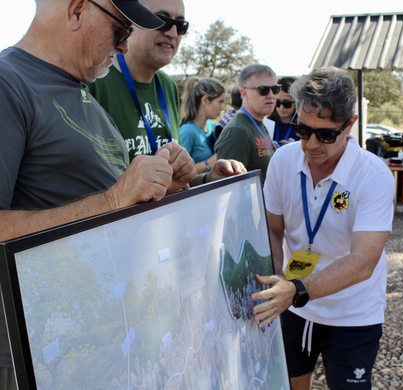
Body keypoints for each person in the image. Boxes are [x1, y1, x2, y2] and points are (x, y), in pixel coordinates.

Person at [0, 0, 244, 388]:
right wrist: (112, 200)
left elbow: (109, 198)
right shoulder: (8, 82)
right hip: (42, 355)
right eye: (121, 30)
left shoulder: (78, 88)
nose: (124, 46)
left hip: (100, 341)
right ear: (77, 10)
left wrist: (177, 187)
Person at [251, 67, 394, 389]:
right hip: (295, 306)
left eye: (326, 134)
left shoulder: (374, 175)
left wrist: (296, 289)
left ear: (350, 125)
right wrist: (280, 281)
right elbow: (274, 231)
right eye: (302, 130)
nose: (312, 144)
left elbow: (363, 263)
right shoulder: (283, 161)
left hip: (353, 313)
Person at [89, 0, 190, 162]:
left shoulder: (167, 85)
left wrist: (208, 178)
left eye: (181, 25)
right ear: (132, 20)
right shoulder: (95, 80)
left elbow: (172, 183)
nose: (173, 34)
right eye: (162, 20)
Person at [214, 64, 279, 183]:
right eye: (263, 90)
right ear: (244, 93)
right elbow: (228, 188)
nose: (271, 95)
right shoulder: (237, 131)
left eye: (275, 90)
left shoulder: (258, 122)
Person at [179, 77, 225, 174]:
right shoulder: (187, 132)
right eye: (220, 102)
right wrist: (208, 163)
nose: (222, 107)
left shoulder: (213, 127)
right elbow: (179, 173)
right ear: (205, 100)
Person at [266, 76, 300, 148]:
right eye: (277, 103)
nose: (281, 107)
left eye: (287, 103)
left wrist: (295, 149)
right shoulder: (267, 123)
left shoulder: (303, 128)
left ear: (297, 103)